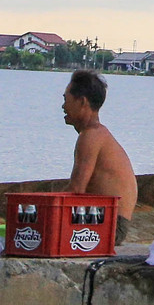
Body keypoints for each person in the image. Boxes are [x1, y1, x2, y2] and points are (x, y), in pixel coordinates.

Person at [63, 70, 138, 241]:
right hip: (106, 219)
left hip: (111, 226)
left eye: (65, 100)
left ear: (82, 102)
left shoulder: (90, 136)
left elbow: (76, 190)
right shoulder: (97, 134)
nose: (63, 106)